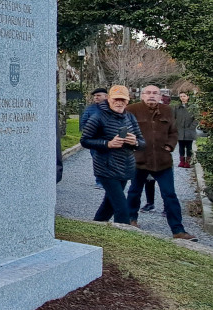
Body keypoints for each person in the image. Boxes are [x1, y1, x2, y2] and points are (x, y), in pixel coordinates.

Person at [125, 85, 198, 240]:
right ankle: (130, 221)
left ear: (160, 96)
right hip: (139, 159)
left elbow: (173, 132)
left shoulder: (167, 110)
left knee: (170, 195)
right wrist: (129, 146)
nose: (151, 95)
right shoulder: (131, 110)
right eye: (148, 93)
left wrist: (170, 146)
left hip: (163, 160)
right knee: (134, 192)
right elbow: (123, 130)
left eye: (155, 93)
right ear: (142, 95)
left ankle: (178, 230)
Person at [80, 85, 144, 227]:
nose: (119, 102)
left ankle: (95, 229)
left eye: (123, 99)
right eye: (116, 99)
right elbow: (84, 141)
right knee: (122, 208)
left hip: (125, 167)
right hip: (106, 167)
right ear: (109, 99)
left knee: (108, 205)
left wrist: (135, 142)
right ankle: (125, 239)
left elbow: (142, 142)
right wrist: (108, 144)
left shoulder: (130, 117)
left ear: (128, 101)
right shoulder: (98, 117)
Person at [80, 88, 109, 190]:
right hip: (95, 140)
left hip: (109, 139)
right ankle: (99, 181)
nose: (96, 97)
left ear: (106, 96)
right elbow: (83, 122)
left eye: (98, 95)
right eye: (95, 96)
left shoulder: (111, 107)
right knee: (97, 160)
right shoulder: (90, 109)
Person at [174, 91, 198, 168]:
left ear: (188, 97)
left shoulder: (193, 107)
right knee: (181, 147)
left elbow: (196, 119)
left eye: (184, 96)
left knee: (189, 147)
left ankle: (188, 162)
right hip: (180, 130)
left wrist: (191, 127)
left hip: (189, 131)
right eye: (181, 96)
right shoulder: (177, 107)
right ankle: (181, 161)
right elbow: (173, 118)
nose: (182, 98)